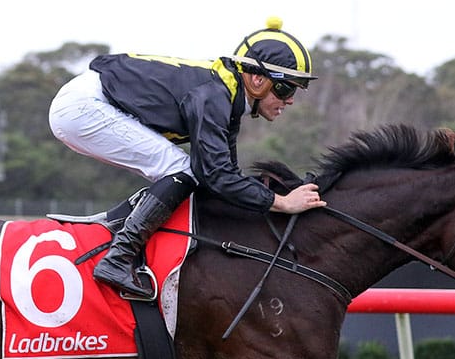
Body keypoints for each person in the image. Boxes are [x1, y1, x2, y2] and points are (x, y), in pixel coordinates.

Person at [48, 17, 327, 300]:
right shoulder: (214, 96)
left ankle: (119, 225)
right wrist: (282, 203)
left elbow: (223, 178)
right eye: (286, 89)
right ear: (257, 79)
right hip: (83, 107)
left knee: (184, 171)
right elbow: (215, 175)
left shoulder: (227, 99)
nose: (290, 100)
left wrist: (281, 191)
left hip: (86, 104)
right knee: (180, 168)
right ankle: (119, 257)